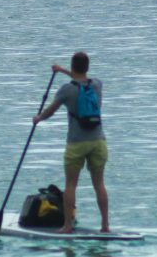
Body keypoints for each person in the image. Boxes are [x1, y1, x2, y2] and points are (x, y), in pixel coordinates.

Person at [32, 51, 109, 233]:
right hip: (98, 141)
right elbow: (81, 77)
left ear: (72, 66)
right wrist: (63, 70)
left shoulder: (66, 90)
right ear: (87, 68)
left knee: (70, 185)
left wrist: (39, 118)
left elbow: (50, 111)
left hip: (76, 144)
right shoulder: (97, 85)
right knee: (99, 185)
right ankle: (105, 226)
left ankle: (67, 226)